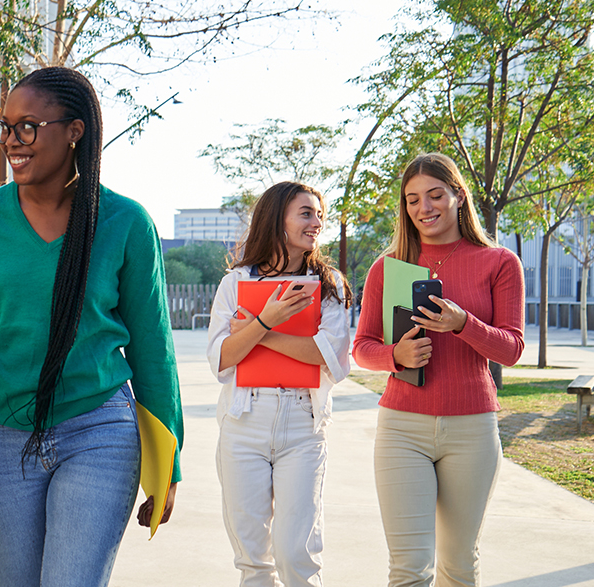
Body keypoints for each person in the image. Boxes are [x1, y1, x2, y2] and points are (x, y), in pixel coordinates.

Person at [0, 66, 182, 587]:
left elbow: (154, 350)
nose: (12, 142)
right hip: (2, 434)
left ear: (74, 131)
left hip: (99, 428)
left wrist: (168, 464)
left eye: (27, 127)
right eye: (5, 127)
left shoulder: (125, 222)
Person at [352, 153, 523, 586]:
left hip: (472, 430)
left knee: (459, 565)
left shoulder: (499, 262)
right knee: (408, 568)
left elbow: (512, 349)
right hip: (401, 429)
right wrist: (396, 357)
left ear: (458, 196)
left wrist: (463, 324)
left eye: (434, 195)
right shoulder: (388, 267)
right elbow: (362, 348)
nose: (423, 208)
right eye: (412, 200)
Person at [206, 181, 352, 586]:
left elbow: (328, 356)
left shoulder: (329, 286)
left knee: (296, 556)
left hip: (304, 428)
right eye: (306, 213)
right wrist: (268, 323)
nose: (317, 222)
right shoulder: (235, 283)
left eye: (319, 213)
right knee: (253, 559)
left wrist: (260, 328)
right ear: (277, 219)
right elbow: (221, 358)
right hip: (244, 423)